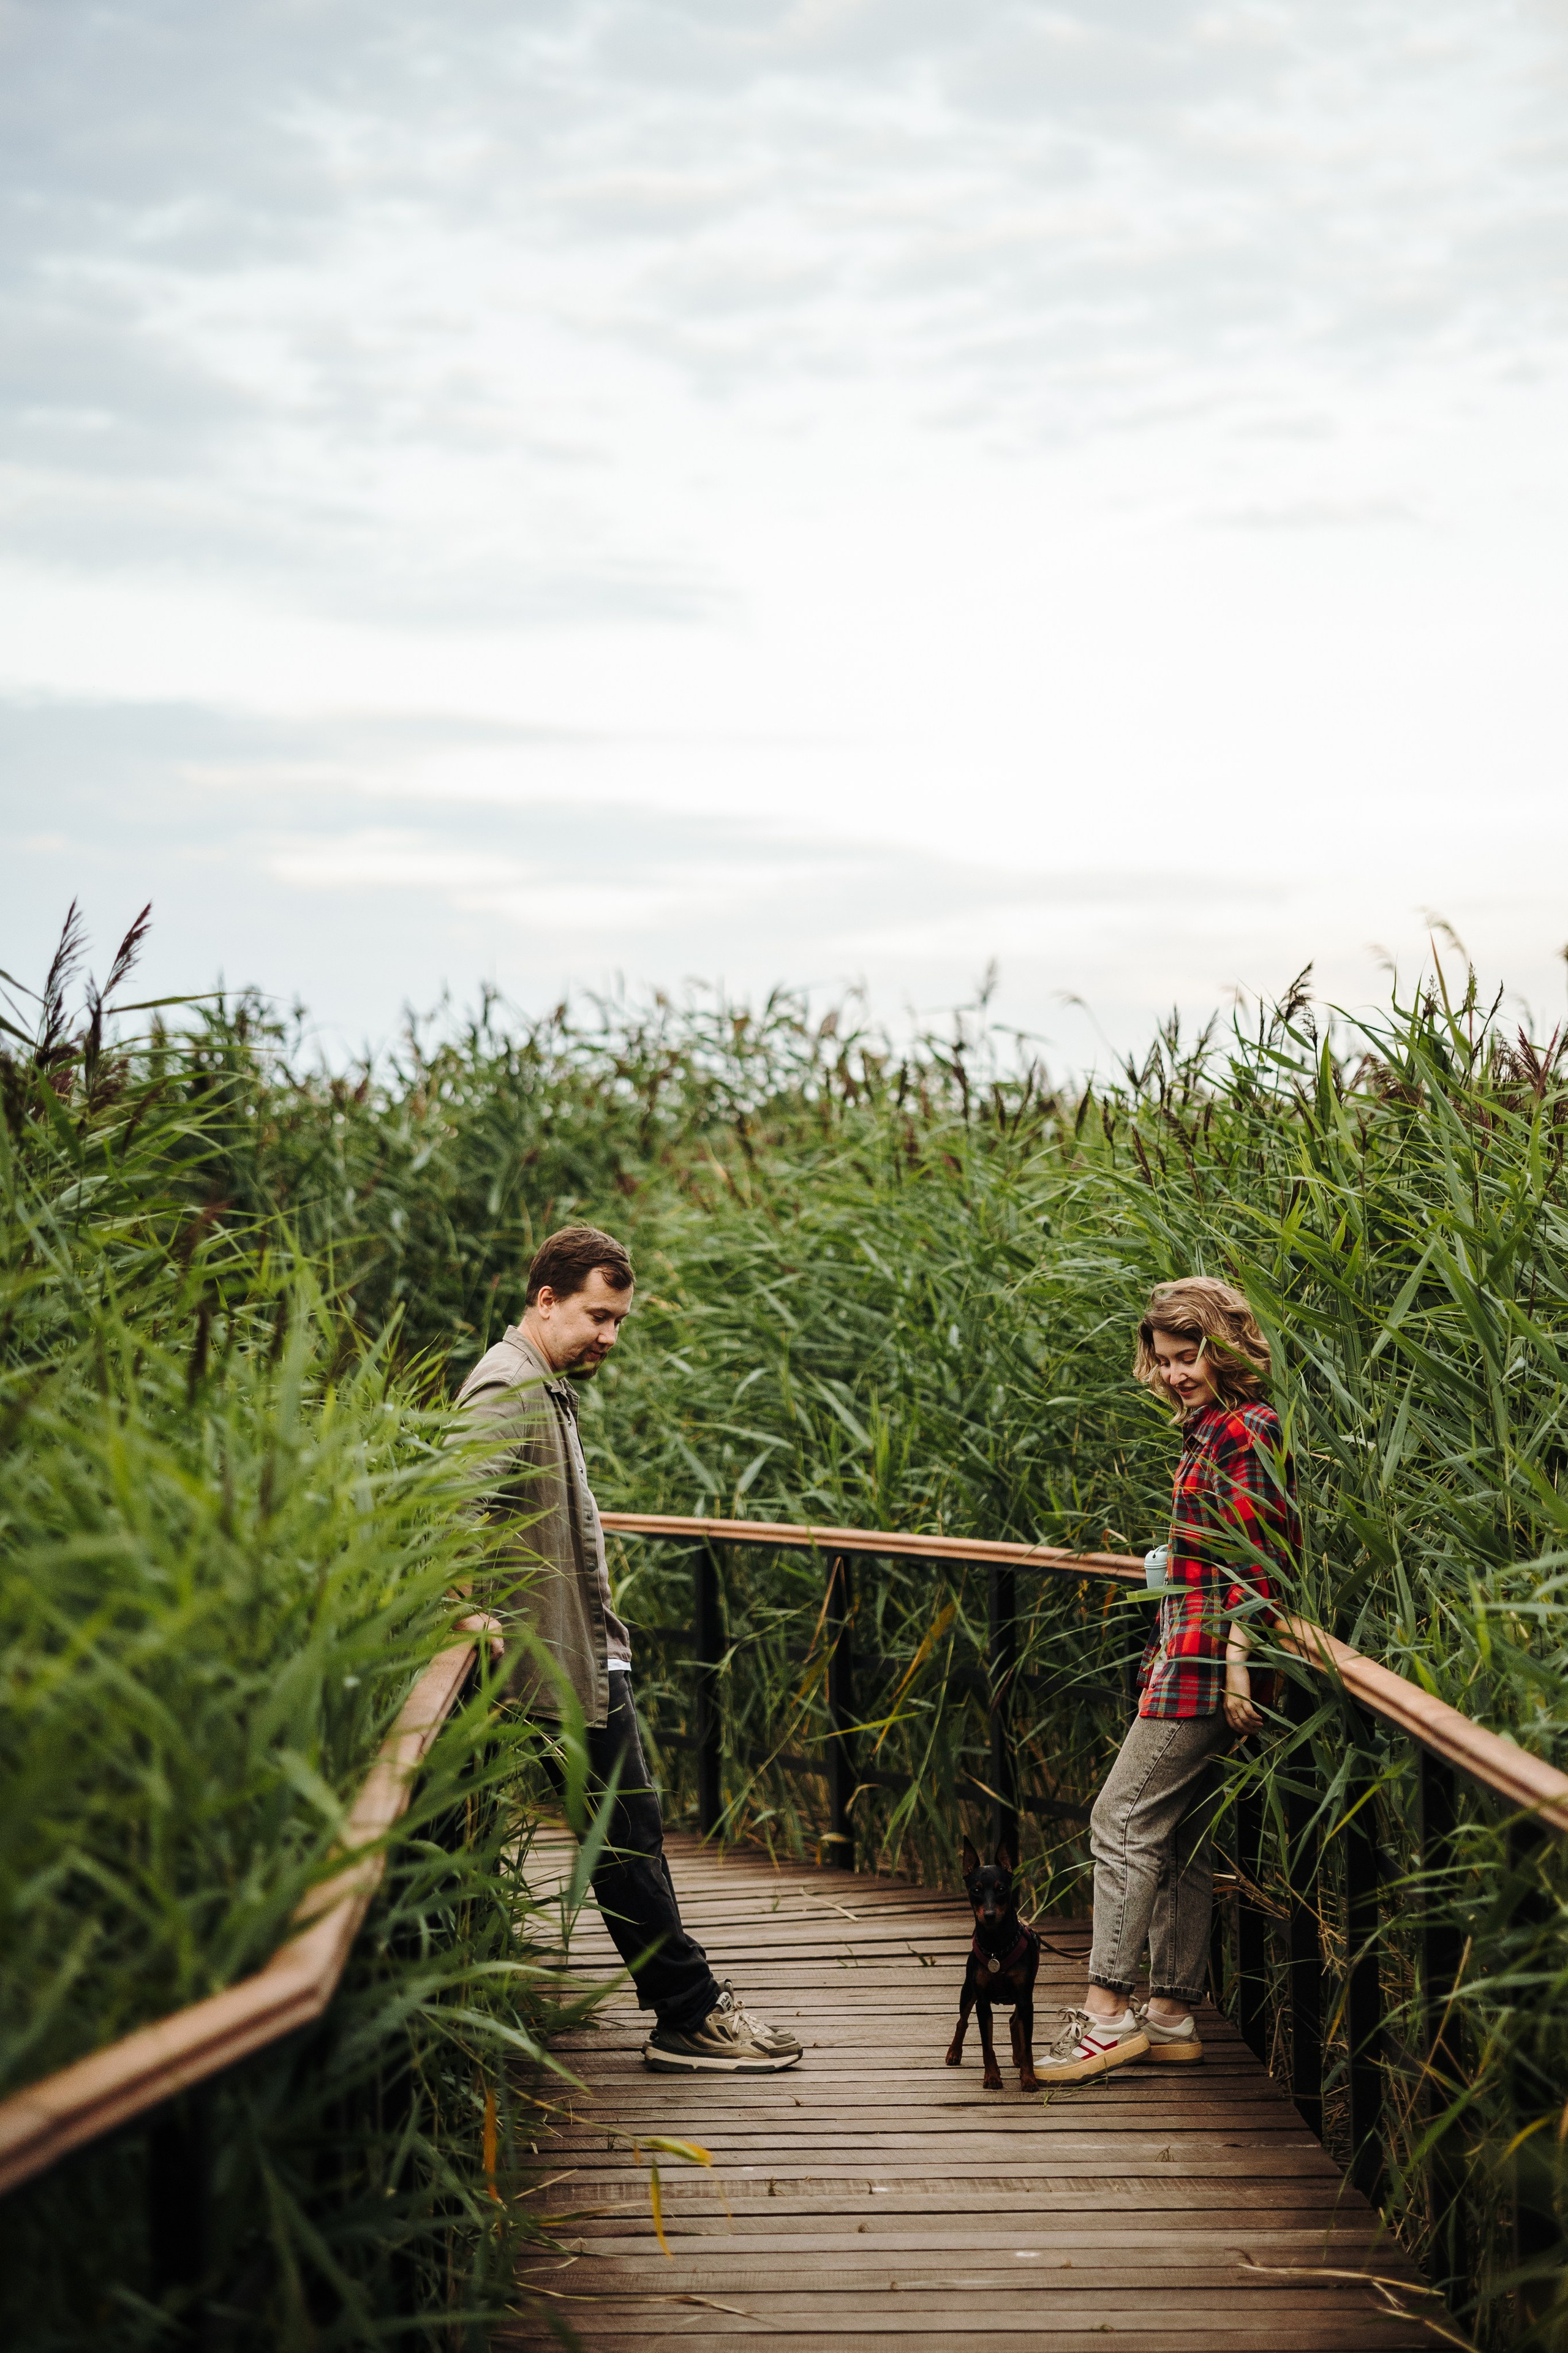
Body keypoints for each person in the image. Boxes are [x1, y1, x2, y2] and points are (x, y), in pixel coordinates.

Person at [453, 1223, 801, 2075]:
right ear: (546, 1299)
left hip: (578, 1658)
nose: (609, 1335)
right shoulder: (507, 1384)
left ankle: (693, 2006)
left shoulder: (545, 1382)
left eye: (617, 1320)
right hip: (546, 1671)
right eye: (597, 1316)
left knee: (630, 1832)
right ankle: (689, 2014)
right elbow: (449, 1511)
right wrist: (463, 1612)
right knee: (623, 1837)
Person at [1037, 1275, 1298, 2084]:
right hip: (1183, 1648)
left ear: (1222, 1348)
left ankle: (1108, 2010)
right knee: (1176, 1831)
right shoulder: (1206, 1426)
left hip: (1208, 1661)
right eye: (1168, 1359)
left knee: (1118, 1819)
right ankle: (1174, 2011)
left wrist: (1240, 1657)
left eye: (1192, 1356)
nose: (1179, 1372)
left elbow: (1266, 1556)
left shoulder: (1246, 1428)